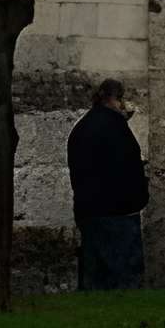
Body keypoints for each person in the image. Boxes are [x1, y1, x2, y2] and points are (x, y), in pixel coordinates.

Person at [66, 79, 149, 291]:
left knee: (95, 274)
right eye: (120, 99)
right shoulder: (115, 128)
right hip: (118, 210)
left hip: (89, 209)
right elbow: (126, 165)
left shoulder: (82, 128)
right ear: (113, 99)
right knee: (123, 276)